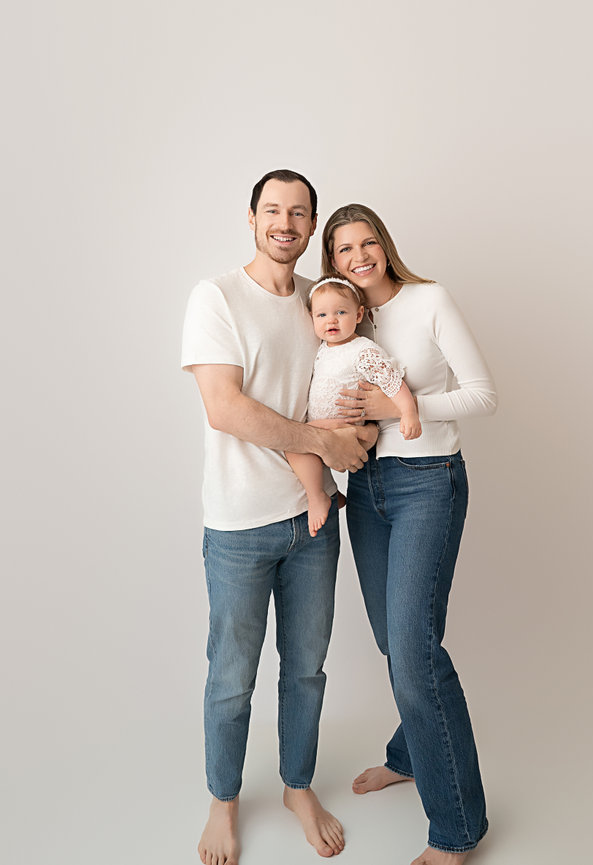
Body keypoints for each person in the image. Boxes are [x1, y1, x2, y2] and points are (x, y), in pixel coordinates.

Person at [181, 171, 376, 865]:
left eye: (299, 212)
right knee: (232, 675)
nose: (285, 222)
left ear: (311, 223)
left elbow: (344, 376)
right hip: (237, 527)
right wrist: (324, 443)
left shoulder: (317, 302)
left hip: (313, 523)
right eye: (273, 210)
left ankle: (298, 785)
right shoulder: (217, 296)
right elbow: (224, 409)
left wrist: (367, 422)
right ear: (252, 218)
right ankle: (224, 801)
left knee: (306, 670)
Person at [321, 203, 497, 865]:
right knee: (397, 642)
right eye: (344, 249)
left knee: (416, 651)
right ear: (332, 262)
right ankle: (410, 754)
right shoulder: (338, 319)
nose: (359, 256)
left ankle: (455, 829)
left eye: (368, 242)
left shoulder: (428, 301)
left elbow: (483, 393)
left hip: (430, 482)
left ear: (384, 245)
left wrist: (396, 408)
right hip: (367, 488)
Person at [286, 275, 420, 536]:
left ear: (359, 315)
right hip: (330, 427)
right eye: (322, 315)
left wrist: (409, 412)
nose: (331, 320)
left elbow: (392, 381)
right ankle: (330, 493)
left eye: (340, 312)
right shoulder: (323, 348)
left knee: (295, 443)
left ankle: (318, 497)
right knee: (299, 443)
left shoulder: (363, 350)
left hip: (347, 427)